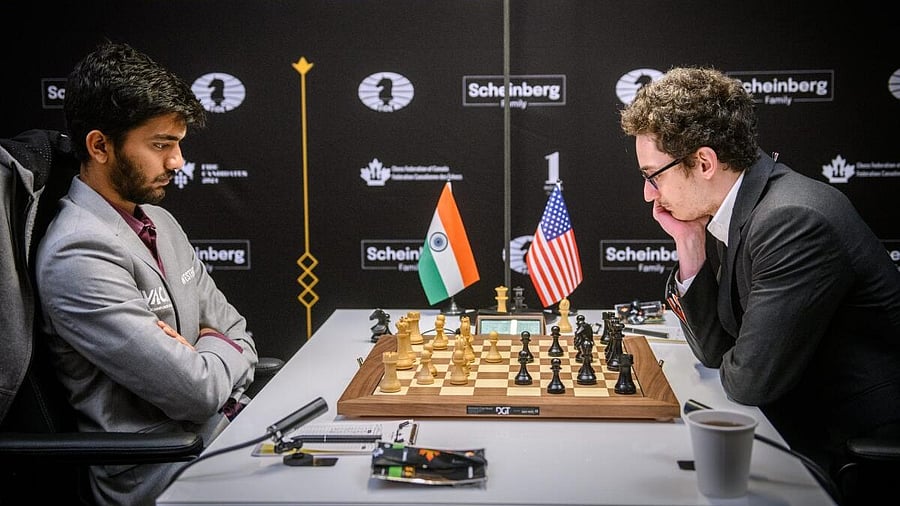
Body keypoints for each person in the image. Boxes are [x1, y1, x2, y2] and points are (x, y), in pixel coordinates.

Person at [620, 66, 900, 496]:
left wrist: (741, 356)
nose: (648, 193)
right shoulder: (745, 208)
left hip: (850, 443)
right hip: (800, 423)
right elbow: (718, 352)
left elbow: (749, 380)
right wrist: (690, 247)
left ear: (704, 162)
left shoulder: (790, 219)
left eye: (652, 175)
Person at [34, 42, 259, 506]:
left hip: (228, 433)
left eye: (177, 145)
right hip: (164, 469)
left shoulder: (161, 223)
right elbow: (196, 394)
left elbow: (240, 333)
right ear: (99, 146)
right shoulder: (77, 252)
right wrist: (216, 348)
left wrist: (210, 346)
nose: (177, 162)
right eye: (161, 145)